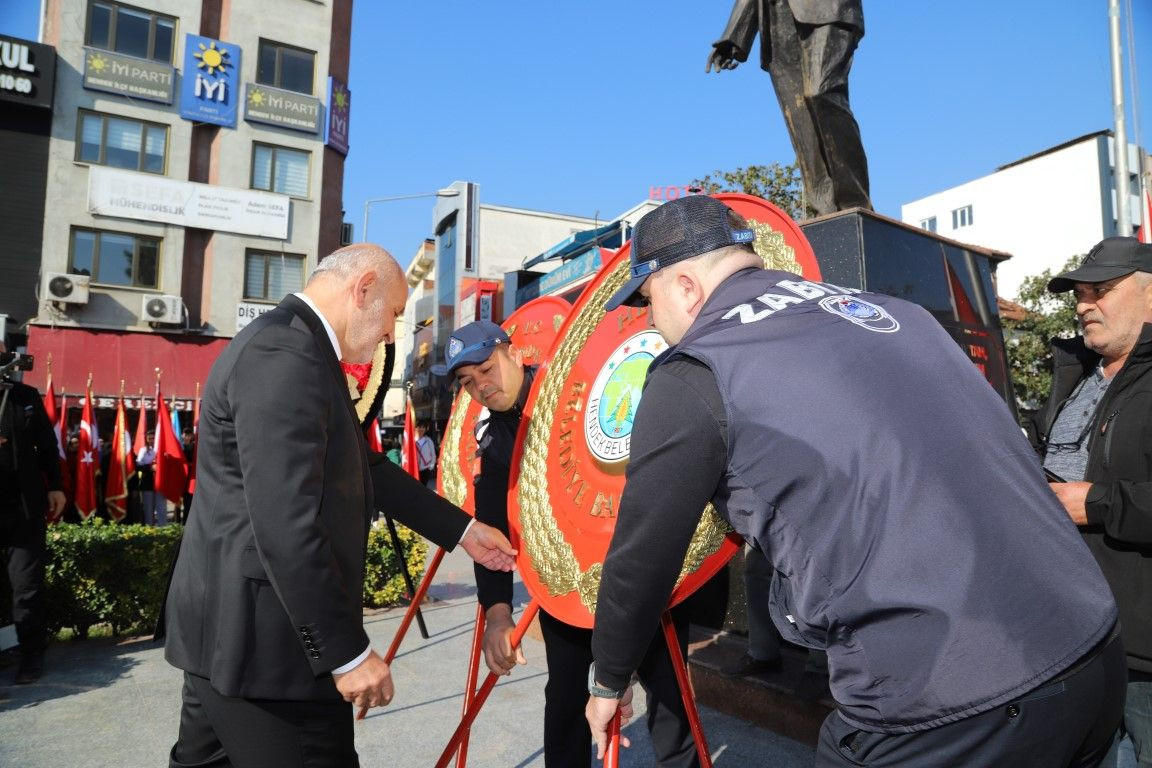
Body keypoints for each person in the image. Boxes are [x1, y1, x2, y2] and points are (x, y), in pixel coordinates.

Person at [585, 194, 1125, 766]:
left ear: (687, 287)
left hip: (951, 696)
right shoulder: (891, 312)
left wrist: (608, 680)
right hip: (1090, 648)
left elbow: (642, 556)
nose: (649, 322)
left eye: (648, 301)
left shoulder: (697, 369)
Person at [160, 244, 518, 768]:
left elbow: (359, 466)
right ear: (363, 288)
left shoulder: (295, 350)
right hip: (272, 657)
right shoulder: (285, 355)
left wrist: (463, 529)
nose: (392, 333)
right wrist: (346, 653)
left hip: (231, 642)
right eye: (394, 314)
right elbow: (286, 520)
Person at [441, 320, 699, 768]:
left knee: (670, 696)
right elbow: (490, 533)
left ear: (512, 352)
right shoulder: (496, 439)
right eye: (467, 382)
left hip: (641, 568)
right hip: (568, 587)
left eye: (486, 368)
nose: (481, 386)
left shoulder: (576, 384)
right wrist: (497, 614)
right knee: (564, 700)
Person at [1039, 236, 1152, 768]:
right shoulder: (1075, 374)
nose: (1084, 304)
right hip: (1074, 634)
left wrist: (1100, 505)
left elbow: (1093, 496)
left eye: (1101, 290)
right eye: (1080, 293)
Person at [706, 0, 871, 216]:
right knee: (799, 119)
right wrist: (734, 35)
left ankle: (856, 203)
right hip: (776, 17)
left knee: (821, 93)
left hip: (828, 9)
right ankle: (824, 211)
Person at [0, 340, 66, 684]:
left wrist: (55, 486)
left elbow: (47, 445)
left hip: (24, 510)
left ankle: (31, 655)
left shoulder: (24, 398)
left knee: (27, 587)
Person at [135, 430, 167, 526]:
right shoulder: (143, 450)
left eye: (153, 438)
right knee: (148, 508)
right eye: (150, 438)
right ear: (147, 439)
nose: (152, 440)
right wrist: (150, 467)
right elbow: (138, 465)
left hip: (160, 482)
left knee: (161, 507)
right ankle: (149, 530)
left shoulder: (161, 449)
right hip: (148, 482)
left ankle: (163, 529)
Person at [416, 420, 437, 488]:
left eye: (423, 427)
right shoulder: (412, 440)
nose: (421, 429)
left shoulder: (428, 441)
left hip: (425, 469)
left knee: (423, 487)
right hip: (414, 468)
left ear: (425, 429)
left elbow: (433, 454)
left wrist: (431, 466)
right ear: (416, 428)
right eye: (419, 427)